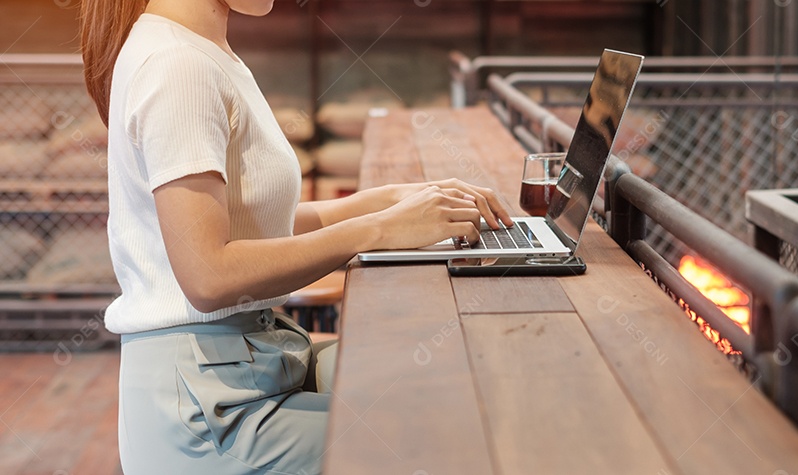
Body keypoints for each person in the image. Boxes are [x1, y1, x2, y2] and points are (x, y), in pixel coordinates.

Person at [80, 0, 513, 473]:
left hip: (241, 366)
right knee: (439, 431)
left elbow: (257, 222)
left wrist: (394, 200)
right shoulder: (176, 65)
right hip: (212, 413)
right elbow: (207, 276)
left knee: (431, 379)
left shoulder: (199, 49)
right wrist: (376, 231)